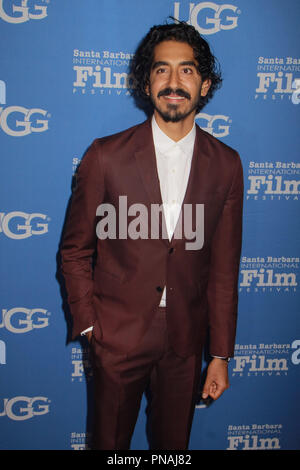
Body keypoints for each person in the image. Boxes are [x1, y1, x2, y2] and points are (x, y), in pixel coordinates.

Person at [61, 21, 243, 450]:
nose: (174, 82)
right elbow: (74, 250)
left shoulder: (227, 165)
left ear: (205, 84)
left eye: (187, 70)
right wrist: (90, 324)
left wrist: (219, 355)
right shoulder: (105, 156)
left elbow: (223, 269)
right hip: (117, 337)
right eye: (162, 70)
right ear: (147, 83)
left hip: (185, 342)